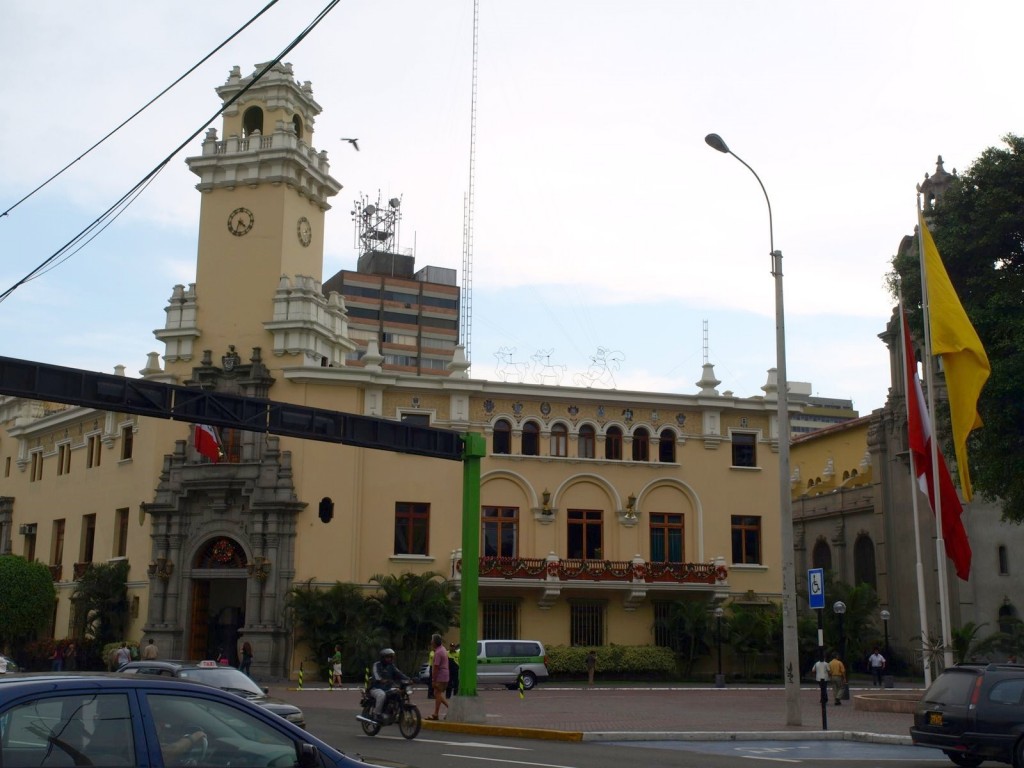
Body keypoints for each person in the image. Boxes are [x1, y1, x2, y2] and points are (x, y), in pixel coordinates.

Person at [369, 648, 411, 722]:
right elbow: (376, 675)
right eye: (387, 657)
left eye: (391, 657)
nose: (390, 659)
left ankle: (394, 711)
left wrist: (409, 679)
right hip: (376, 688)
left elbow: (399, 674)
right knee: (381, 695)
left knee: (398, 692)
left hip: (387, 688)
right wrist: (381, 680)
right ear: (383, 657)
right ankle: (377, 714)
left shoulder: (391, 666)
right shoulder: (376, 665)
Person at [429, 634, 449, 720]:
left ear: (434, 642)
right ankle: (437, 713)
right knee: (437, 694)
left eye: (432, 640)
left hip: (440, 675)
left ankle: (436, 714)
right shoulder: (443, 649)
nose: (431, 642)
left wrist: (433, 679)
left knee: (437, 694)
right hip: (445, 675)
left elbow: (436, 667)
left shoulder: (438, 653)